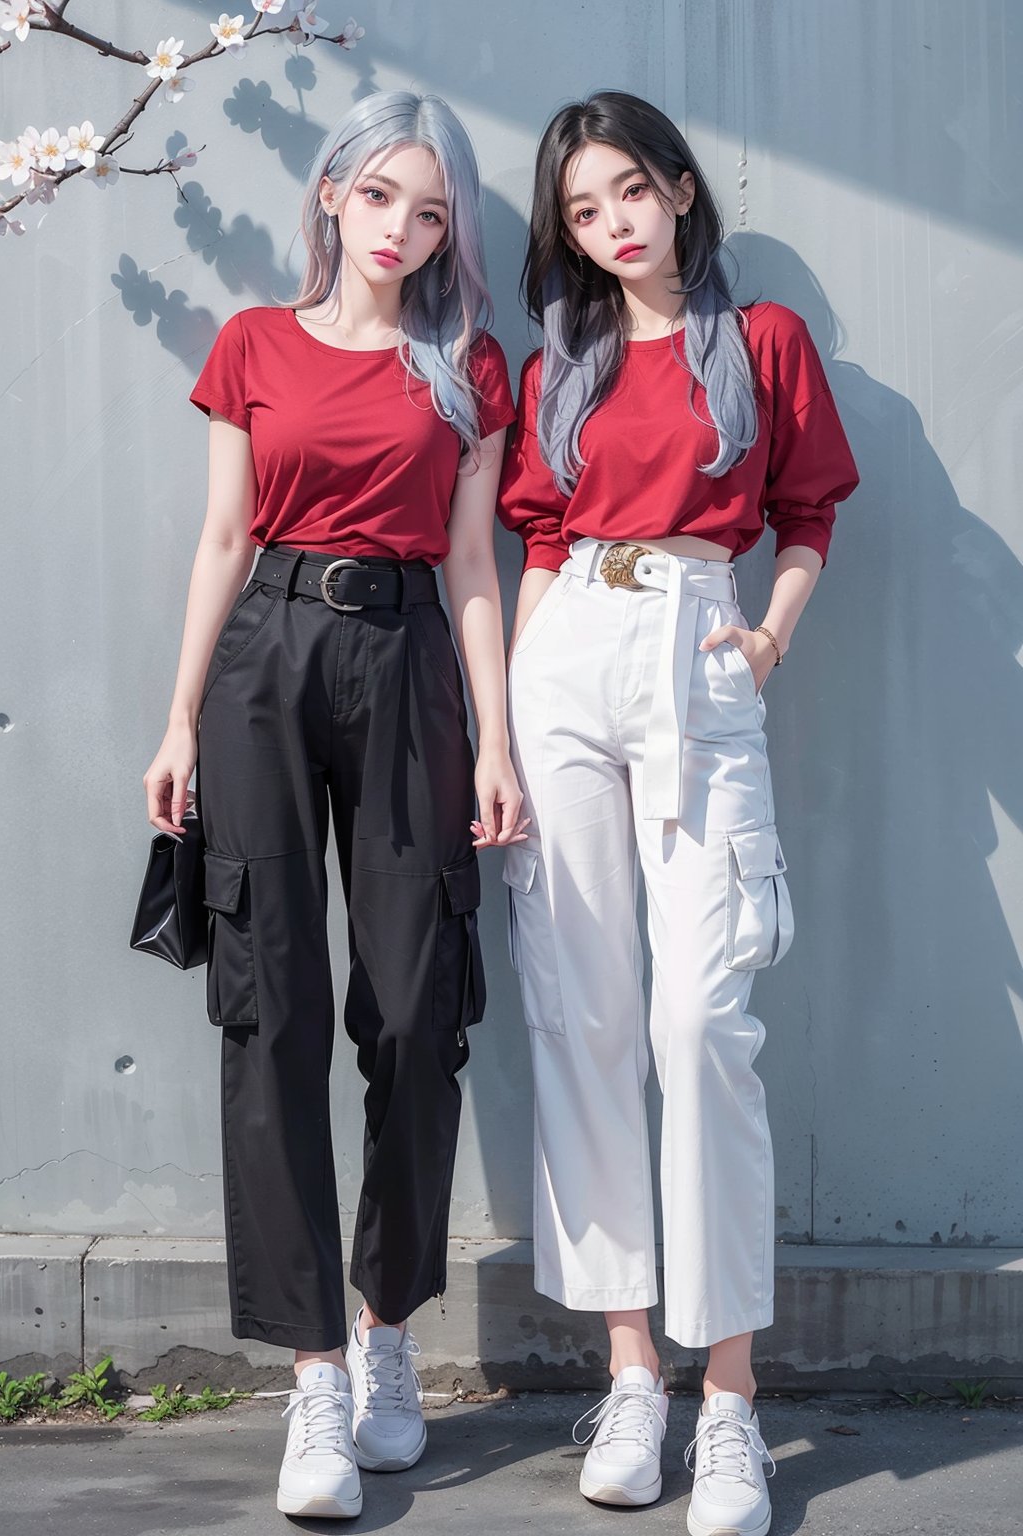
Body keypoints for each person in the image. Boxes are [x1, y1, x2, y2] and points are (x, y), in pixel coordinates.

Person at [143, 90, 524, 1521]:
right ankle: (312, 1379)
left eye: (432, 213)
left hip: (413, 657)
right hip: (263, 662)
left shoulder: (467, 366)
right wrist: (178, 716)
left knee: (420, 1011)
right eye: (383, 200)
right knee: (273, 1005)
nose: (404, 233)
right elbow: (226, 536)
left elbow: (476, 566)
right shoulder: (253, 346)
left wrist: (491, 740)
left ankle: (385, 1338)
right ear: (332, 197)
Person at [498, 90, 859, 1536]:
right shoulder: (560, 364)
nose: (614, 223)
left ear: (685, 189)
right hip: (567, 653)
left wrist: (769, 636)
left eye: (632, 190)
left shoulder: (761, 344)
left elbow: (815, 508)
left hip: (701, 647)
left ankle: (731, 1406)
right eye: (584, 210)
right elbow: (535, 534)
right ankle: (632, 1372)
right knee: (581, 1015)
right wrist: (506, 734)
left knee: (701, 1025)